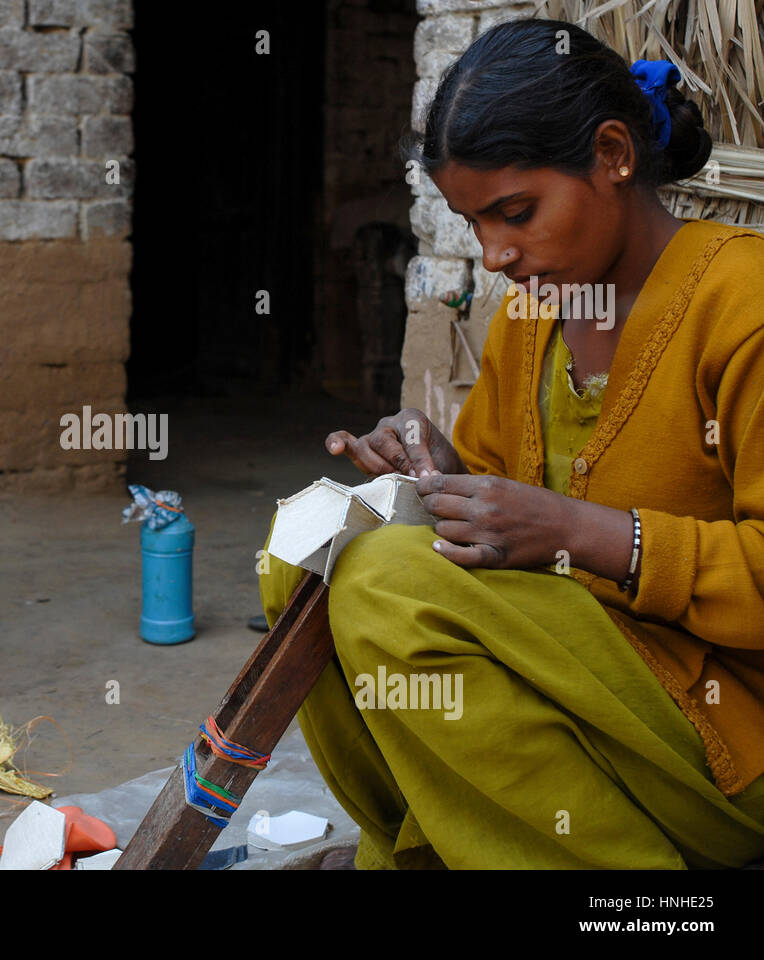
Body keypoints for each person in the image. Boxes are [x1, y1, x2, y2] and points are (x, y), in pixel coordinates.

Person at [259, 18, 764, 868]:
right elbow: (504, 524)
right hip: (573, 695)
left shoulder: (741, 305)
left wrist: (580, 533)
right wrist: (442, 478)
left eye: (516, 213)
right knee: (301, 554)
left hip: (721, 741)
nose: (495, 255)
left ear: (613, 155)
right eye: (475, 223)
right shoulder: (531, 319)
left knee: (386, 585)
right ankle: (432, 842)